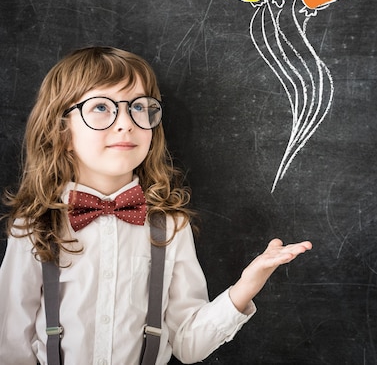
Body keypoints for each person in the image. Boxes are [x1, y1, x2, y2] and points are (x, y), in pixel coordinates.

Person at [0, 46, 312, 365]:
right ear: (62, 130)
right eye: (101, 108)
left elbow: (188, 345)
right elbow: (10, 343)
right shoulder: (33, 225)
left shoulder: (171, 226)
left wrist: (246, 285)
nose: (125, 123)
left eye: (138, 107)